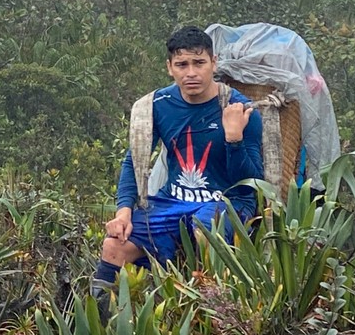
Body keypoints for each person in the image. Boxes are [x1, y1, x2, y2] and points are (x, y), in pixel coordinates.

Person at [90, 25, 264, 310]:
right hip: (174, 201)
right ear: (169, 67)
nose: (191, 73)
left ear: (214, 63)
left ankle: (210, 316)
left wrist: (234, 139)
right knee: (114, 245)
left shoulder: (238, 109)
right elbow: (135, 160)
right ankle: (99, 330)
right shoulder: (157, 105)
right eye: (182, 64)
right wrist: (123, 211)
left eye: (199, 63)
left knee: (204, 230)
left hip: (228, 203)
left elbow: (252, 182)